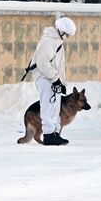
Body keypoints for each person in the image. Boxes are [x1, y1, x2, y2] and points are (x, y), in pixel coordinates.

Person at [31, 17, 76, 146]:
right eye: (67, 34)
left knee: (55, 106)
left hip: (51, 78)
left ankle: (54, 133)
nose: (67, 37)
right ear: (61, 31)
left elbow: (57, 65)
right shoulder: (49, 41)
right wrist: (56, 79)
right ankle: (48, 134)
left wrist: (60, 82)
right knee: (48, 106)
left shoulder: (56, 41)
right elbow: (43, 63)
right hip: (45, 78)